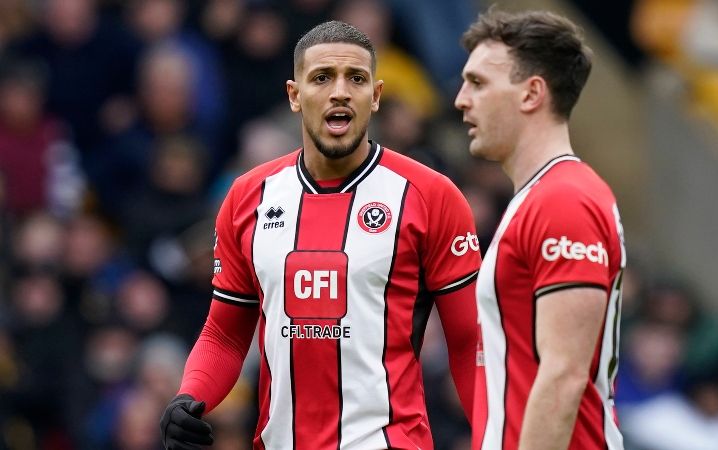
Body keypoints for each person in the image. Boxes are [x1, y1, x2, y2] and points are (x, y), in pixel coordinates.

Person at [159, 20, 481, 449]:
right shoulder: (247, 198)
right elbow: (225, 334)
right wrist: (190, 397)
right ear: (294, 96)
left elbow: (469, 341)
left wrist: (494, 435)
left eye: (357, 78)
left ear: (376, 96)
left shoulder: (430, 196)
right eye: (322, 78)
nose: (340, 91)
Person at [455, 10, 627, 450]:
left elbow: (564, 376)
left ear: (532, 93)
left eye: (477, 83)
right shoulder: (542, 197)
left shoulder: (562, 201)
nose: (460, 99)